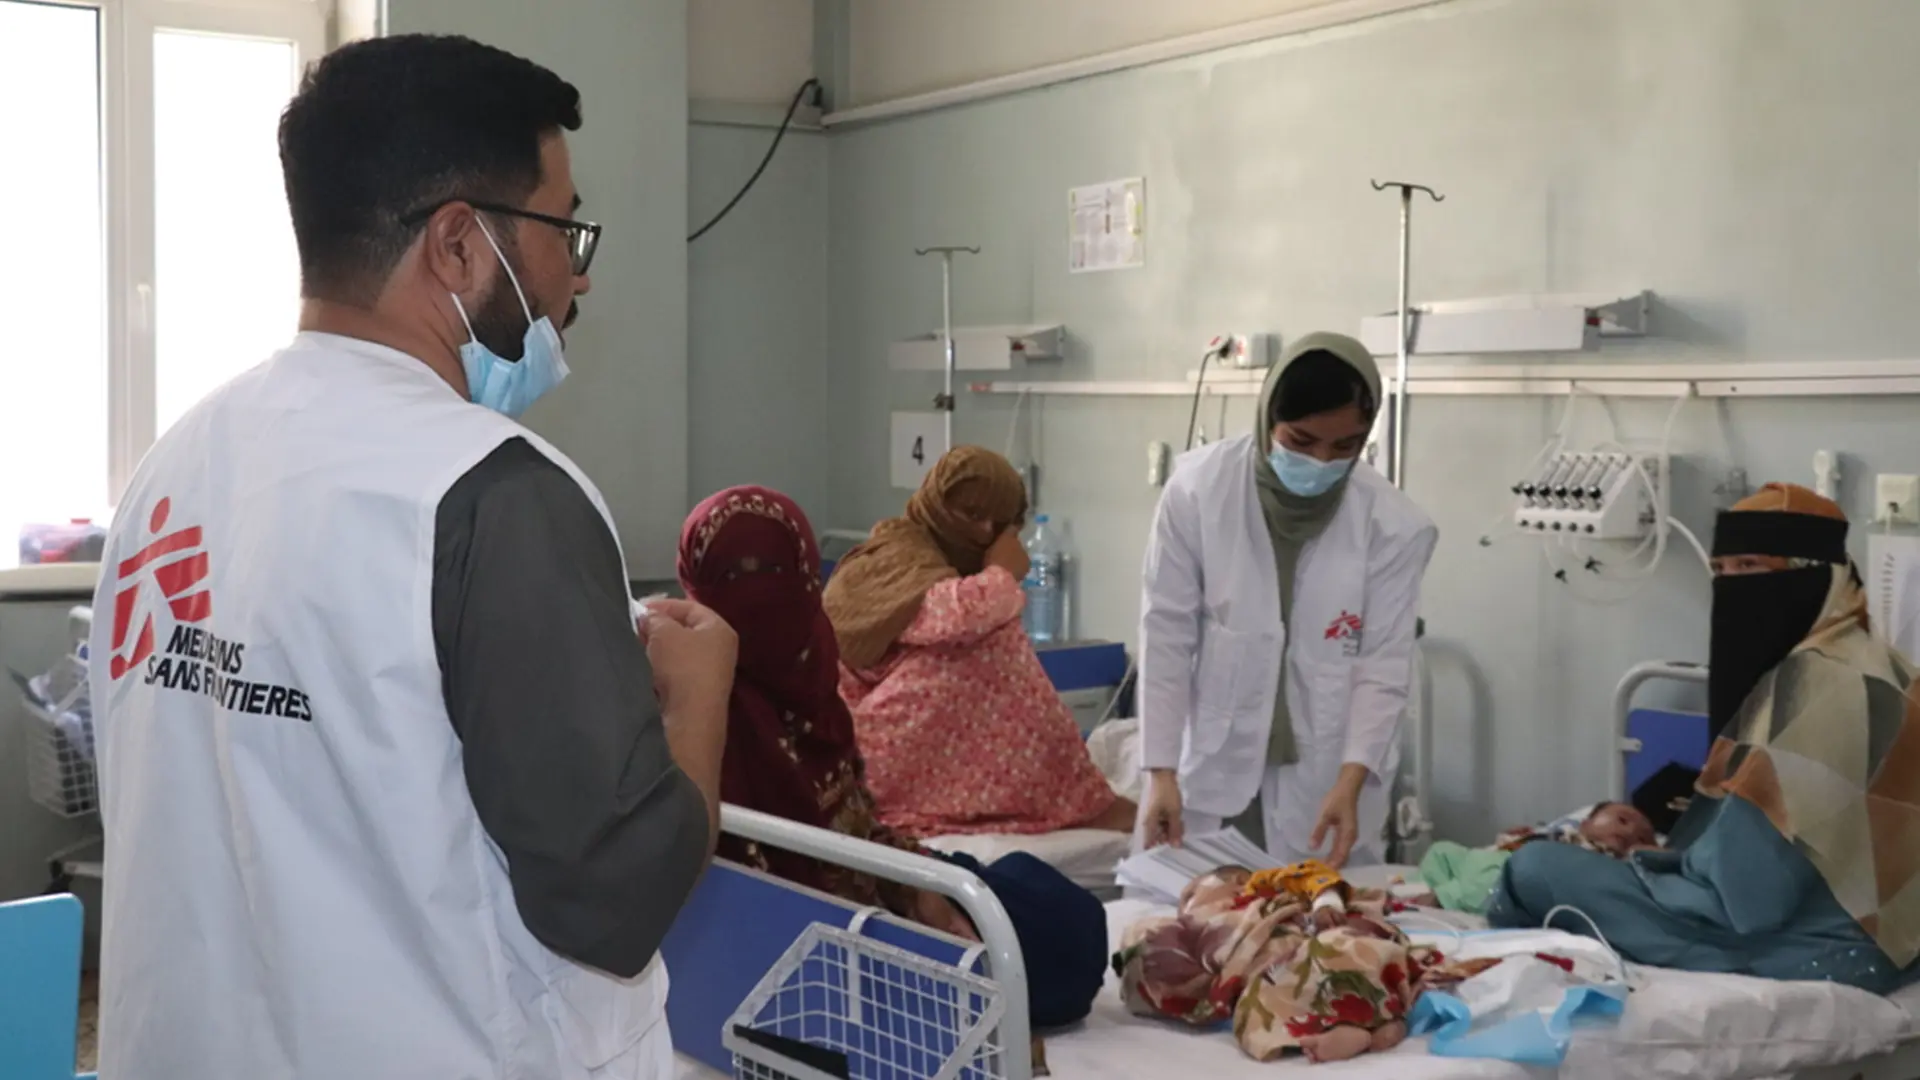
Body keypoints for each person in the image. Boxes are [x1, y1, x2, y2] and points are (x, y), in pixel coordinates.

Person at [88, 35, 731, 1078]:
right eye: (563, 229)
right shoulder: (494, 493)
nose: (576, 274)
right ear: (460, 245)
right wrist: (699, 700)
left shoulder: (174, 466)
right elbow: (613, 900)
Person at [676, 485, 1108, 1032]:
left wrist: (915, 883)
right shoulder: (690, 707)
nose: (760, 596)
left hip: (875, 871)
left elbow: (855, 820)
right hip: (809, 940)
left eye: (775, 572)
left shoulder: (809, 674)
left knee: (1063, 917)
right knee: (1060, 948)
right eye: (733, 577)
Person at [1489, 484, 1920, 995]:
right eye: (1720, 570)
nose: (1731, 587)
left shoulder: (1816, 690)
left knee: (1534, 868)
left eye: (1750, 567)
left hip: (1812, 947)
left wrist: (1651, 865)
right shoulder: (1884, 669)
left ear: (1814, 575)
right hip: (1890, 942)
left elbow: (1746, 897)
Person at [1137, 333, 1438, 867]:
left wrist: (1351, 781)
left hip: (1326, 782)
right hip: (1208, 771)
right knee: (1186, 908)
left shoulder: (1394, 526)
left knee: (1320, 914)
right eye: (1301, 441)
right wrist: (1160, 771)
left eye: (1344, 447)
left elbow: (1382, 669)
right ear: (1267, 418)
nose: (1321, 461)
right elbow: (1165, 635)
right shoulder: (1198, 490)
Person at [822, 447, 1134, 838]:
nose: (985, 532)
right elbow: (950, 617)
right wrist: (1002, 572)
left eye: (1000, 524)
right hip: (850, 754)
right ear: (936, 503)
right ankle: (1076, 799)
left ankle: (1068, 794)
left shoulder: (942, 565)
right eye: (972, 515)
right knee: (988, 642)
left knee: (984, 636)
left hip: (883, 753)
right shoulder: (891, 556)